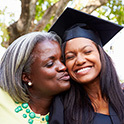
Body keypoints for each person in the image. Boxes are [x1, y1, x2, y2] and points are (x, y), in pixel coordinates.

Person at [49, 7, 124, 124]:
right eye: (70, 56)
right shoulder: (62, 106)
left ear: (101, 55)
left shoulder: (121, 97)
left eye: (87, 52)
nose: (79, 61)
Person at [0, 31, 70, 124]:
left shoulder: (72, 112)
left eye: (62, 60)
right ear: (26, 77)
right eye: (50, 64)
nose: (63, 67)